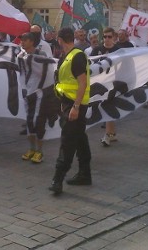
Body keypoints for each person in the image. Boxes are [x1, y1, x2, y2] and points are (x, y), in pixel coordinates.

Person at [48, 27, 92, 195]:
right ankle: (84, 174)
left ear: (59, 40)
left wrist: (75, 107)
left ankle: (57, 179)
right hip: (69, 103)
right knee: (80, 138)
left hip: (75, 105)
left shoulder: (77, 55)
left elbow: (83, 83)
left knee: (67, 141)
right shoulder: (67, 56)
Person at [92, 28, 134, 146]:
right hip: (99, 84)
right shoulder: (97, 50)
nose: (107, 39)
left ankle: (108, 135)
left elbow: (127, 66)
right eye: (105, 36)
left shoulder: (118, 51)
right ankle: (112, 133)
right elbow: (90, 64)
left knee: (107, 106)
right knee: (102, 106)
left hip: (114, 84)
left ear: (114, 38)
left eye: (109, 37)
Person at [18, 32, 55, 163]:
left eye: (25, 40)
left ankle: (40, 151)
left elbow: (48, 70)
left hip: (41, 93)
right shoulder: (21, 55)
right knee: (29, 121)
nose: (22, 42)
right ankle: (31, 149)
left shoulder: (41, 55)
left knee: (38, 121)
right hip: (28, 93)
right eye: (22, 40)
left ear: (32, 42)